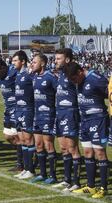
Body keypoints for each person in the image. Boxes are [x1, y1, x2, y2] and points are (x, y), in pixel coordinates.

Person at [65, 62, 109, 199]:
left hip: (98, 120)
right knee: (88, 152)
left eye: (74, 79)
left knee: (99, 152)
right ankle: (90, 186)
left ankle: (103, 188)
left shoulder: (96, 78)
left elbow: (109, 93)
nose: (74, 82)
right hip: (84, 121)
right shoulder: (78, 81)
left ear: (80, 72)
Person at [52, 48, 82, 192]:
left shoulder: (73, 74)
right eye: (55, 58)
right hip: (60, 114)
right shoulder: (60, 74)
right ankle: (67, 180)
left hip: (70, 114)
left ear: (67, 60)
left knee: (72, 148)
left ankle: (76, 182)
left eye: (58, 58)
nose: (55, 61)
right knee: (63, 148)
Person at [29, 53, 58, 184]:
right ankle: (42, 173)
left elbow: (60, 93)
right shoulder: (34, 77)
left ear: (42, 63)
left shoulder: (50, 77)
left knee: (48, 144)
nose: (32, 64)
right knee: (39, 145)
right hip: (37, 115)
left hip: (48, 115)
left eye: (34, 62)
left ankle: (53, 175)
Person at [0, 59, 23, 172]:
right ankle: (25, 152)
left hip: (17, 108)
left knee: (18, 136)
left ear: (4, 68)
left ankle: (21, 163)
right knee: (8, 136)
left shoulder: (14, 73)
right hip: (8, 109)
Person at [12, 50, 36, 179]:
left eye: (15, 61)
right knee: (21, 139)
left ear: (23, 62)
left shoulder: (29, 75)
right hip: (18, 110)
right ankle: (26, 168)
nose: (13, 63)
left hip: (27, 110)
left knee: (28, 139)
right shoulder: (18, 75)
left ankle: (31, 169)